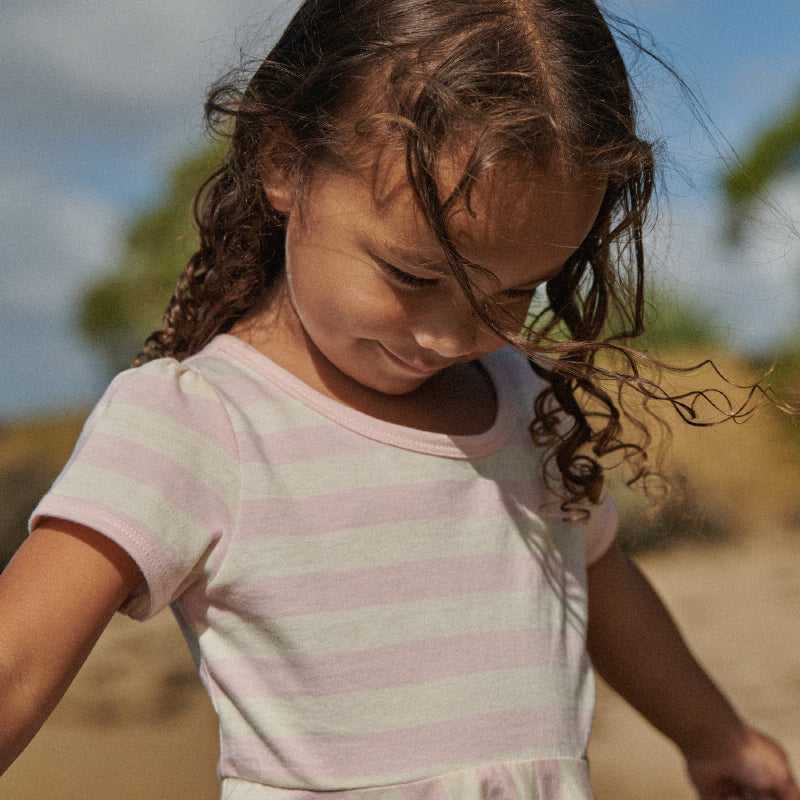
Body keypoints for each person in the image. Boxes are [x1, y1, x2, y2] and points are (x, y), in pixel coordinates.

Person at [0, 1, 797, 798]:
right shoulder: (202, 422)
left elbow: (603, 586)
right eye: (412, 276)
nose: (453, 337)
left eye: (516, 292)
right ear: (285, 160)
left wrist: (716, 737)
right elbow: (17, 667)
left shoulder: (523, 402)